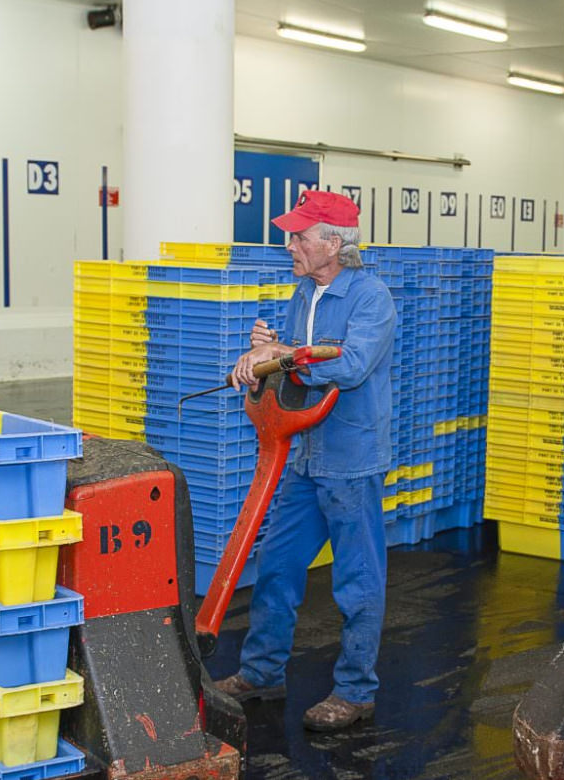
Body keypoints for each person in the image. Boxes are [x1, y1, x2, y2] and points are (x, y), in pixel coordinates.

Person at [217, 190, 397, 732]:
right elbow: (298, 357)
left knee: (357, 580)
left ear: (333, 244)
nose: (290, 244)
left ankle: (356, 691)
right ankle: (262, 673)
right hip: (306, 453)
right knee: (277, 566)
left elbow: (352, 364)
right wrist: (264, 353)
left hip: (351, 458)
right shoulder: (304, 292)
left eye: (299, 236)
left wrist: (284, 357)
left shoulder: (371, 298)